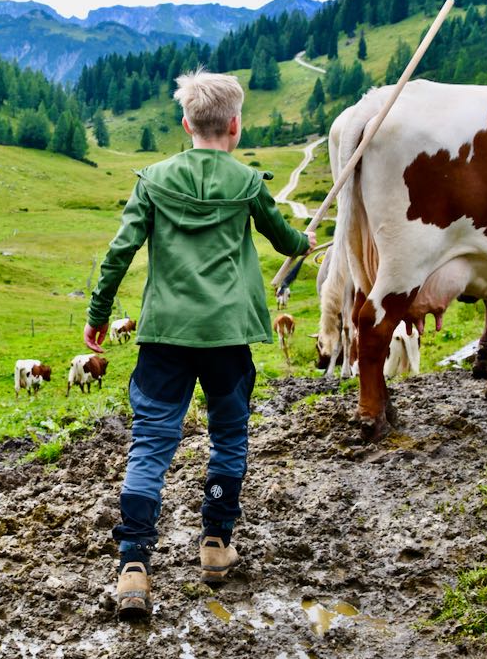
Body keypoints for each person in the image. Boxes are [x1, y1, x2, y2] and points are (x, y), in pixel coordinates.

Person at [83, 68, 315, 619]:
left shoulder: (153, 180)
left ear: (185, 123)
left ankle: (134, 566)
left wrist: (99, 315)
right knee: (229, 437)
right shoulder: (249, 184)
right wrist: (303, 242)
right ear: (234, 125)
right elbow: (286, 240)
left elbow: (119, 252)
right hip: (228, 338)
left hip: (165, 335)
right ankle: (215, 544)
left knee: (151, 445)